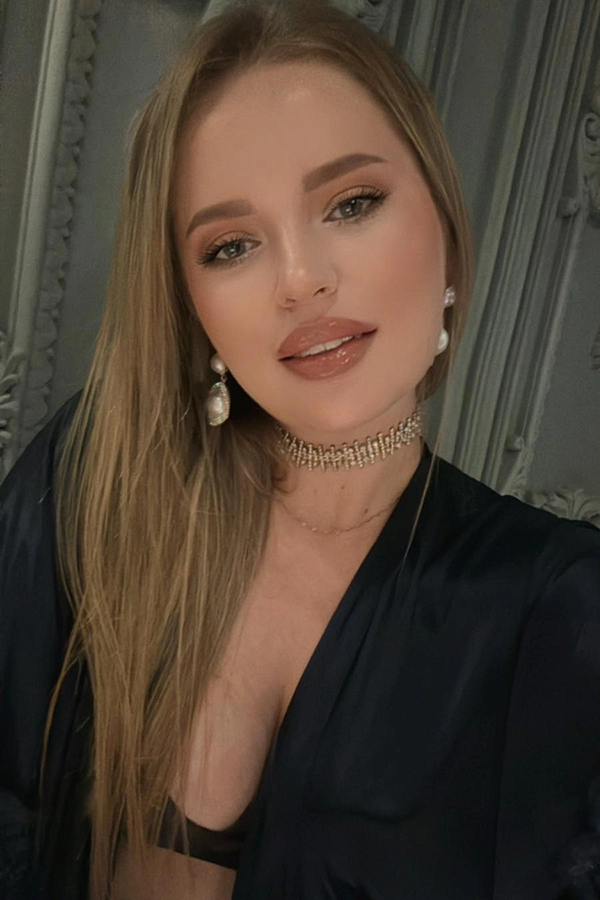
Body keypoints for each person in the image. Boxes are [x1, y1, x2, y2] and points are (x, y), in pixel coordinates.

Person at [1, 0, 599, 897]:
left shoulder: (560, 611)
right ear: (191, 302)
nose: (301, 279)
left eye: (352, 203)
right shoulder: (96, 476)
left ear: (442, 218)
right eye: (230, 245)